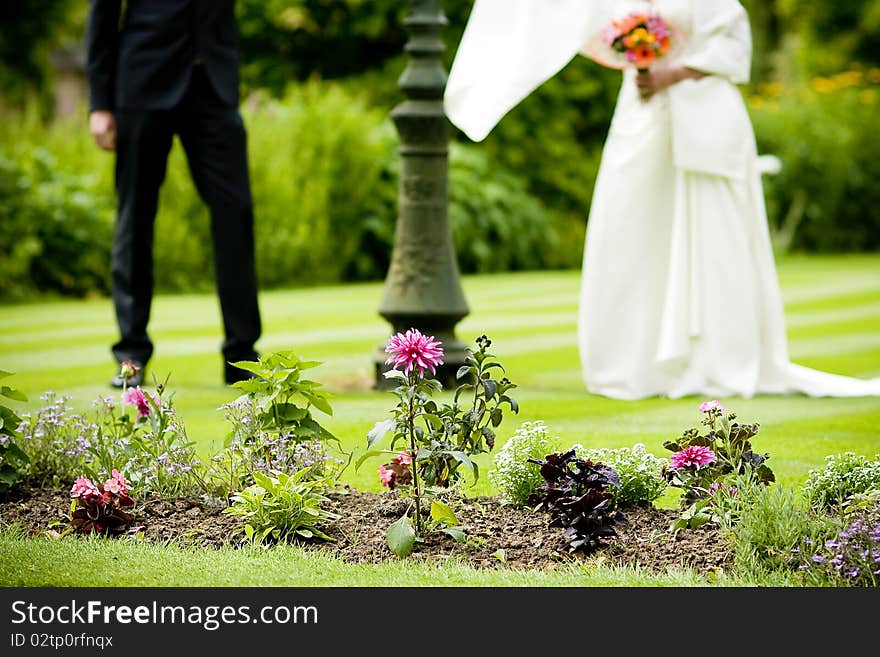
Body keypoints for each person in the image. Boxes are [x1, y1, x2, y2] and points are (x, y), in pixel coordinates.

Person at [444, 0, 880, 399]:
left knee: (713, 234)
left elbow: (733, 47)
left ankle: (715, 358)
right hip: (643, 113)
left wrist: (672, 72)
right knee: (632, 226)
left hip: (704, 110)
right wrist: (631, 55)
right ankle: (638, 360)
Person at [85, 0, 262, 388]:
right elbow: (103, 13)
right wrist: (100, 103)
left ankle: (243, 359)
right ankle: (130, 356)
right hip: (142, 83)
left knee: (236, 213)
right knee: (135, 220)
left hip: (213, 86)